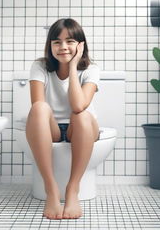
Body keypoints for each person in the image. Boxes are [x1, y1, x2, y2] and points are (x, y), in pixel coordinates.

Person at [26, 18, 100, 220]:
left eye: (70, 41)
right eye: (56, 42)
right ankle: (51, 189)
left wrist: (74, 66)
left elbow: (78, 105)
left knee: (81, 114)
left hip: (82, 127)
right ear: (50, 45)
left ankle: (72, 189)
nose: (63, 47)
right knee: (39, 107)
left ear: (80, 44)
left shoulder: (91, 69)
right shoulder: (40, 66)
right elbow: (38, 107)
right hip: (52, 129)